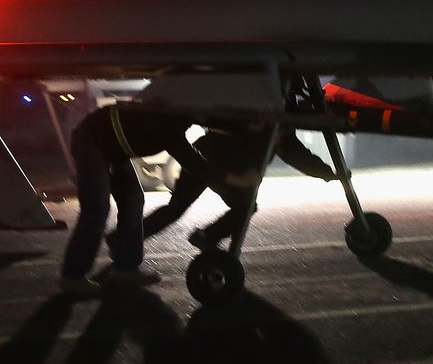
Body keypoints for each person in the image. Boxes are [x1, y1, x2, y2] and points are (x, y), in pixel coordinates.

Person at [59, 103, 211, 294]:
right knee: (97, 209)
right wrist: (223, 178)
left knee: (133, 201)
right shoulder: (172, 120)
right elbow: (189, 159)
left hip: (113, 145)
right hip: (92, 141)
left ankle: (126, 269)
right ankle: (72, 277)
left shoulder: (178, 114)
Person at [142, 122, 337, 250]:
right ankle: (206, 237)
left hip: (218, 161)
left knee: (243, 208)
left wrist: (327, 173)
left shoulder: (280, 127)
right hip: (211, 161)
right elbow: (293, 153)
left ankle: (208, 237)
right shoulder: (257, 118)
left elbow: (298, 155)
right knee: (178, 208)